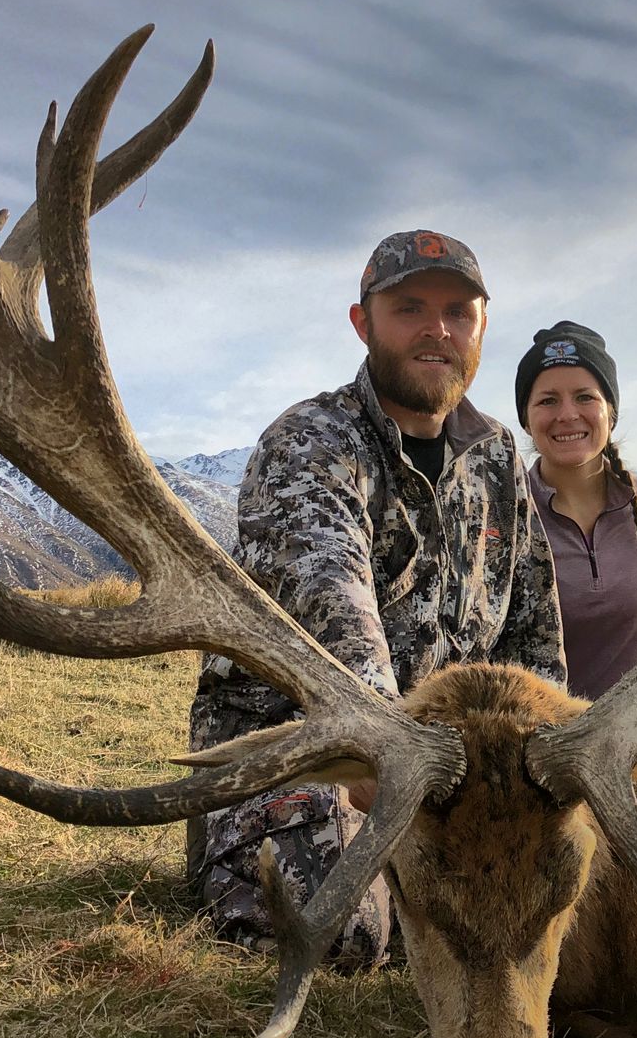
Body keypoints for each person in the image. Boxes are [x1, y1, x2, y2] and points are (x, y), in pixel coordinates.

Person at [187, 230, 567, 961]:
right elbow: (334, 607)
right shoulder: (310, 442)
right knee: (347, 935)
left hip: (446, 783)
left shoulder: (495, 457)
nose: (439, 329)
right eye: (410, 308)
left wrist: (545, 774)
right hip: (318, 763)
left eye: (460, 311)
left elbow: (532, 639)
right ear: (363, 324)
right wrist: (394, 755)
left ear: (482, 327)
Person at [514, 321, 637, 700]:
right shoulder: (501, 513)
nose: (567, 414)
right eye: (548, 400)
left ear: (610, 413)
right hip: (535, 743)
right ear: (526, 419)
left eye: (585, 397)